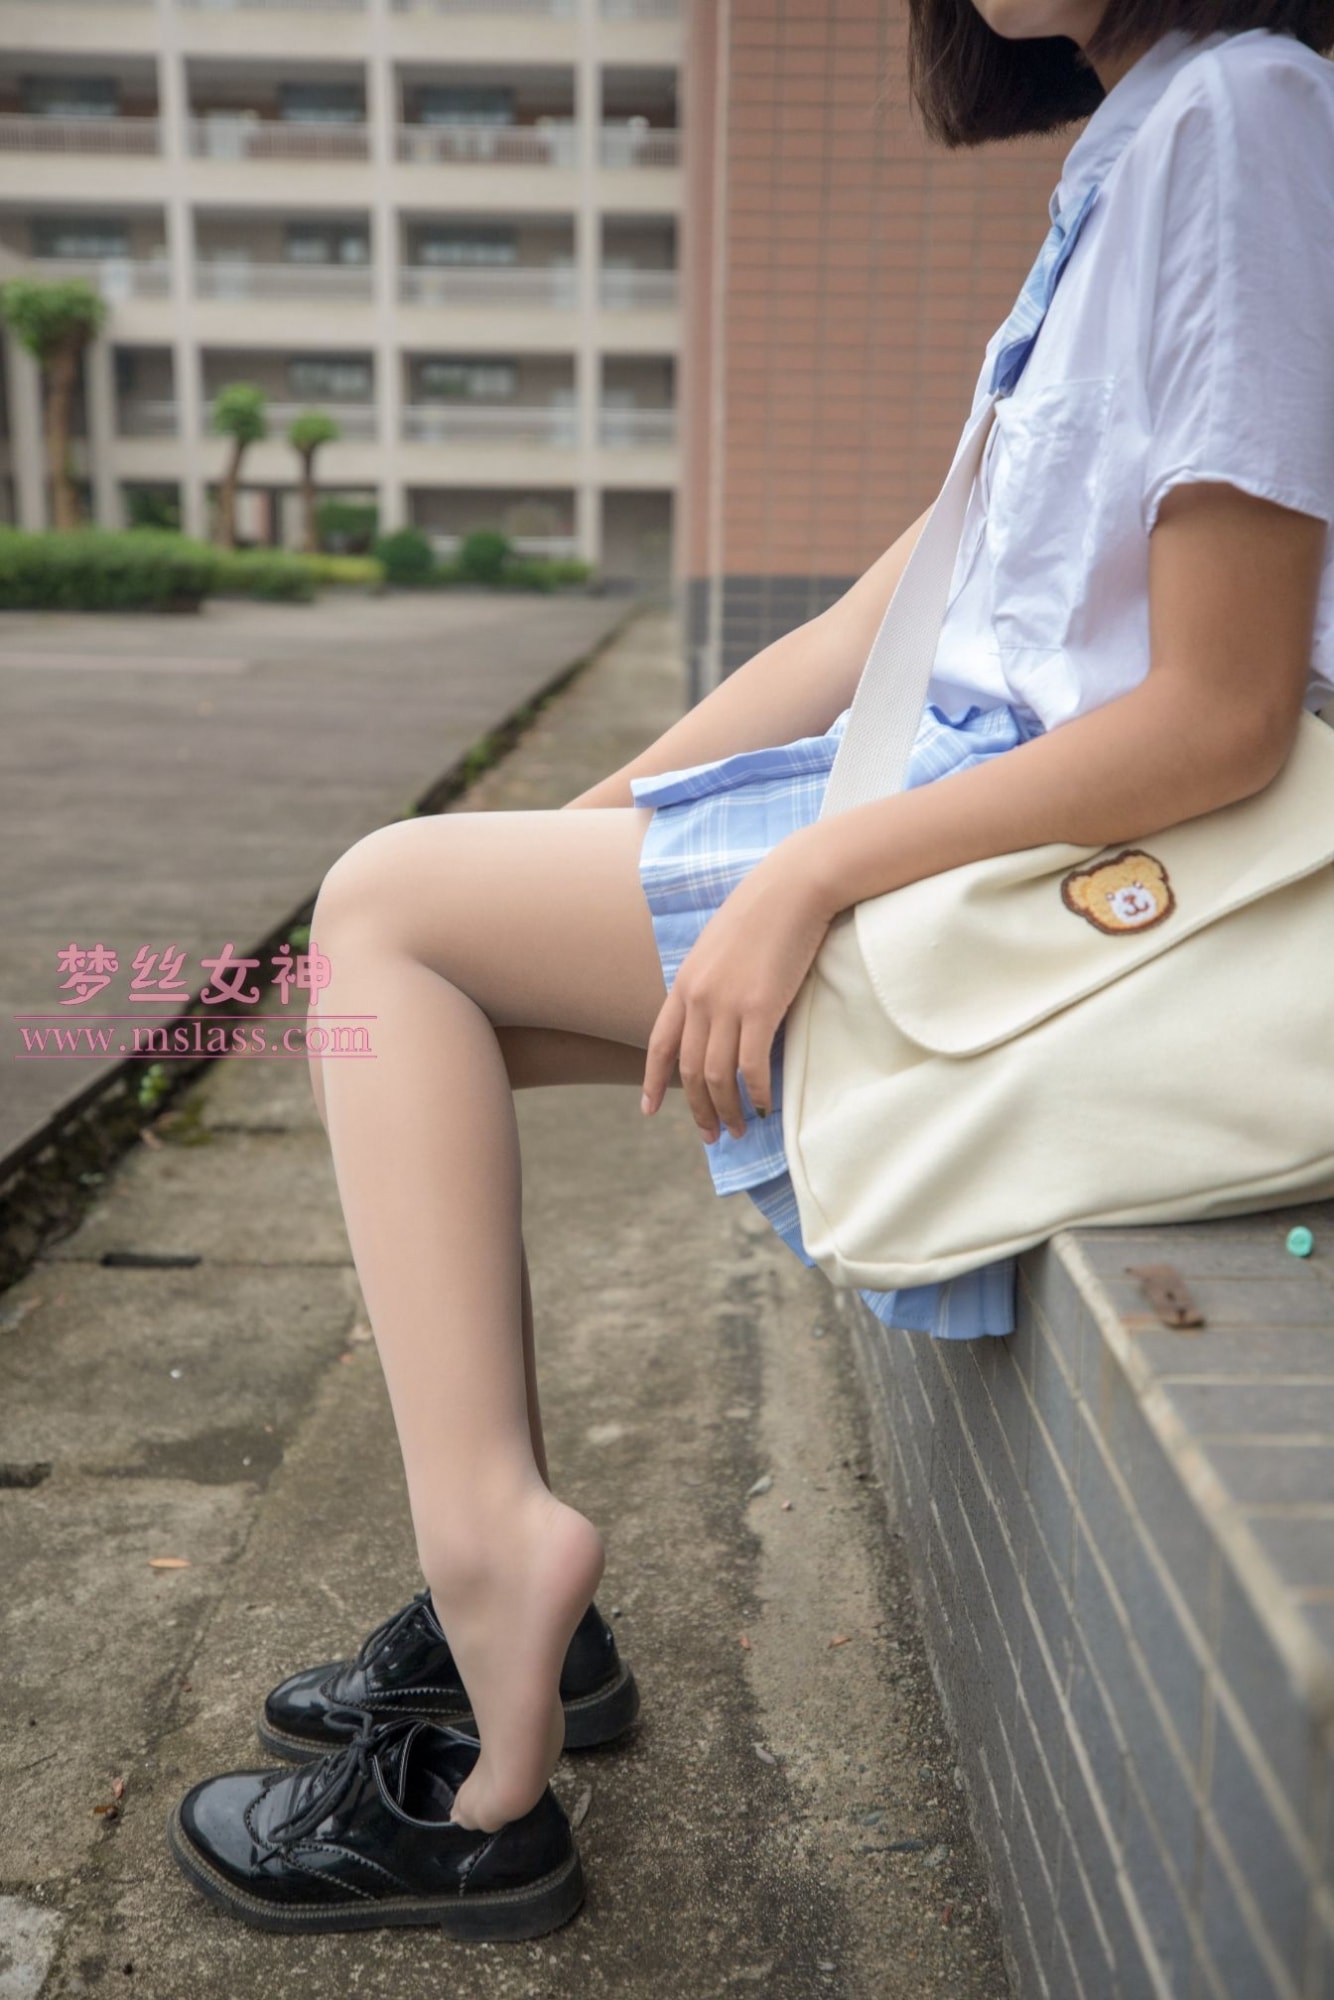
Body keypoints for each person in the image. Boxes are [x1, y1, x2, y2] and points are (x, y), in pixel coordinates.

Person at [166, 0, 1334, 1941]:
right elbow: (890, 607)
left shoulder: (1250, 116)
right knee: (408, 967)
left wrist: (805, 874)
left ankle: (491, 1734)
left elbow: (1223, 712)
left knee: (377, 915)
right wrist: (583, 829)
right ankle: (509, 1610)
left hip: (1062, 883)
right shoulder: (1141, 143)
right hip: (964, 833)